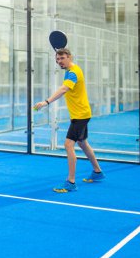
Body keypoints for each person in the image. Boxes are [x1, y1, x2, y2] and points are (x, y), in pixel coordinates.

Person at [33, 48, 105, 192]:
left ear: (69, 57)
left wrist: (46, 102)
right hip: (82, 114)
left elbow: (63, 89)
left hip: (80, 116)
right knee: (82, 143)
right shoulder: (73, 69)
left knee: (68, 145)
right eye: (57, 59)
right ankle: (97, 172)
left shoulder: (72, 73)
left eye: (62, 58)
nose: (59, 61)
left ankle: (71, 182)